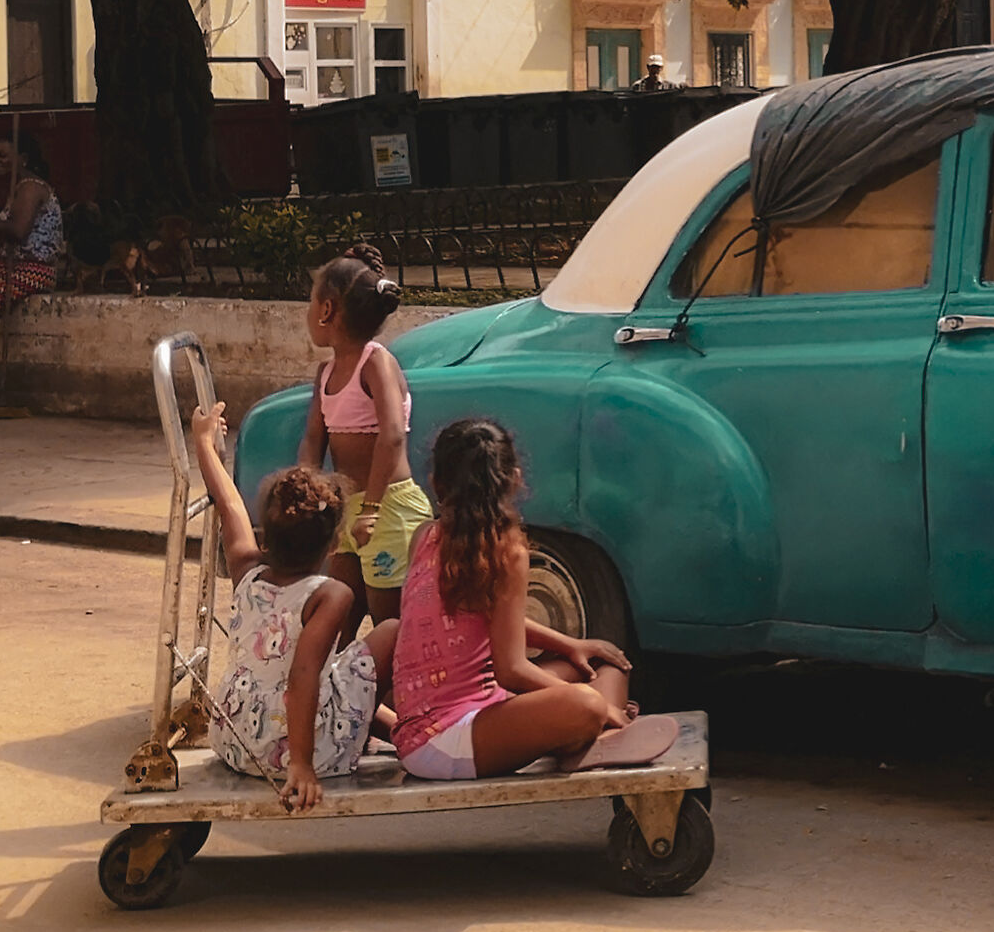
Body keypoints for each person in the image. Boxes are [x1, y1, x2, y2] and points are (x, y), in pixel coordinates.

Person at [395, 418, 671, 780]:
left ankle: (579, 732)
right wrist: (602, 708)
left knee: (603, 663)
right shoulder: (506, 552)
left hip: (433, 732)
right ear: (514, 479)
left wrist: (572, 645)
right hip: (448, 743)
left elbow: (491, 621)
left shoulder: (424, 536)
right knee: (586, 702)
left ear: (435, 483)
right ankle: (591, 732)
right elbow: (512, 670)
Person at [189, 402, 395, 810]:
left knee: (339, 667)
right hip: (291, 752)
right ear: (334, 545)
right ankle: (372, 728)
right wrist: (301, 764)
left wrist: (203, 444)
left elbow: (230, 507)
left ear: (266, 538)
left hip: (235, 740)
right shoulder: (330, 594)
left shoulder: (247, 573)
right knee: (391, 632)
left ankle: (383, 723)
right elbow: (303, 676)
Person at [298, 245, 431, 628]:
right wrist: (304, 494)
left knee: (388, 623)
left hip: (388, 508)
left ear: (326, 310)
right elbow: (312, 441)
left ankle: (390, 689)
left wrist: (371, 510)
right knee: (338, 614)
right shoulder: (325, 373)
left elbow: (391, 437)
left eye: (311, 302)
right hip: (349, 509)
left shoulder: (376, 362)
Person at [0, 133, 63, 326]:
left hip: (30, 271)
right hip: (4, 268)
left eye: (3, 156)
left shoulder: (30, 188)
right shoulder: (17, 188)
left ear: (23, 159)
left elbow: (17, 232)